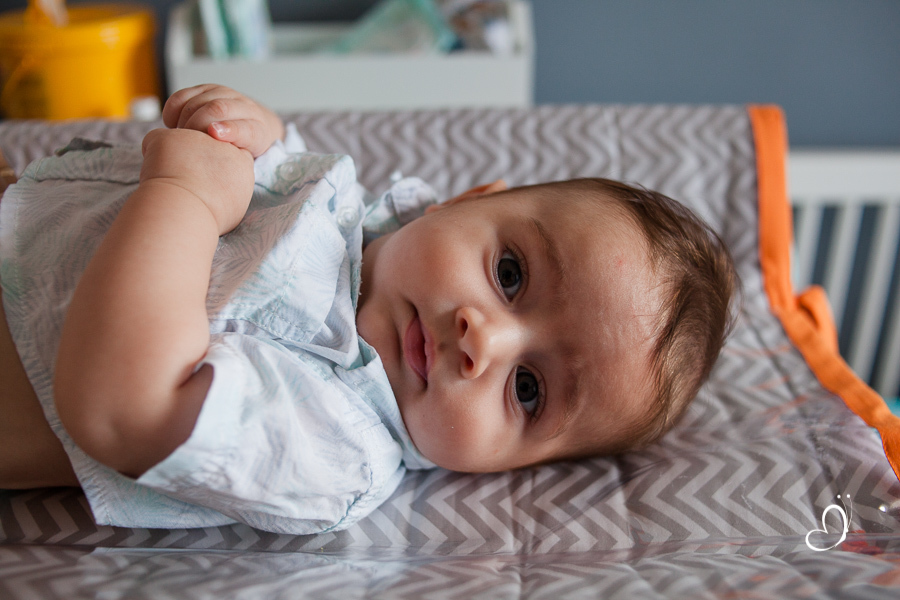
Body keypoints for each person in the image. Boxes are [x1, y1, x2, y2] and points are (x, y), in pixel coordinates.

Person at [0, 85, 736, 534]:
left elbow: (122, 407)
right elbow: (276, 175)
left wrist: (185, 197)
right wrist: (246, 134)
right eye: (510, 274)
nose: (484, 340)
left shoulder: (335, 447)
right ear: (467, 201)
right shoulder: (351, 213)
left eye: (528, 390)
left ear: (506, 470)